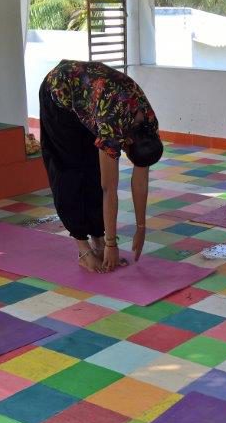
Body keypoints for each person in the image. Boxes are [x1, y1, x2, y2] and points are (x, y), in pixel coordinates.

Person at [39, 60, 163, 273]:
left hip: (91, 101)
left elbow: (140, 179)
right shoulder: (111, 126)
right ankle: (83, 249)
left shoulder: (148, 124)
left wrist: (141, 229)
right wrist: (113, 244)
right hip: (59, 92)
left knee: (93, 170)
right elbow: (109, 189)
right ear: (127, 142)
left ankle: (98, 238)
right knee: (70, 170)